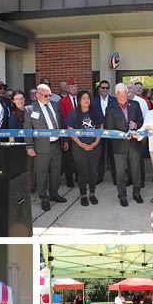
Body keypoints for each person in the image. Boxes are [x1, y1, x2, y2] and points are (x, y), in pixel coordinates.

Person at [25, 83, 70, 211]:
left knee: (56, 172)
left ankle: (54, 194)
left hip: (56, 145)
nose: (48, 97)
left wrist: (65, 139)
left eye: (50, 95)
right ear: (37, 95)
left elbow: (61, 124)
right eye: (45, 95)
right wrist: (29, 146)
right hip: (41, 147)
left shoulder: (56, 105)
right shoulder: (30, 109)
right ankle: (44, 198)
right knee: (42, 174)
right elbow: (27, 130)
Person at [104, 83, 144, 207]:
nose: (122, 97)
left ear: (128, 93)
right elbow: (109, 128)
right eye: (119, 95)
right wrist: (123, 134)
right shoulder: (110, 108)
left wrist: (135, 125)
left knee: (136, 170)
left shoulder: (135, 105)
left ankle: (137, 193)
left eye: (124, 94)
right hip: (119, 145)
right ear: (116, 95)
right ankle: (122, 196)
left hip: (133, 144)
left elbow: (141, 120)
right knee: (120, 172)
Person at [67, 90, 104, 206]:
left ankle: (92, 194)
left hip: (95, 147)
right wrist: (81, 144)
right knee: (81, 172)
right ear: (79, 100)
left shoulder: (96, 112)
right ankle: (83, 195)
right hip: (79, 148)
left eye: (88, 98)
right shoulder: (74, 114)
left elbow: (101, 128)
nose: (86, 100)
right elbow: (70, 130)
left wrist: (95, 143)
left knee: (93, 172)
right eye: (83, 98)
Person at [59, 79, 81, 187]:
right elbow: (62, 119)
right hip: (69, 134)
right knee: (68, 159)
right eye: (72, 87)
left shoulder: (81, 99)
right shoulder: (63, 101)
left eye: (75, 87)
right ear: (67, 89)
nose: (74, 89)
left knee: (79, 159)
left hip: (81, 135)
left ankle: (79, 178)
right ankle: (69, 181)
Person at [96, 80, 117, 185]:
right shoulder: (94, 101)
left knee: (113, 156)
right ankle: (99, 177)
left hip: (111, 133)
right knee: (100, 156)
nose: (105, 90)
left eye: (107, 88)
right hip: (99, 133)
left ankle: (115, 178)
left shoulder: (114, 100)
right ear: (99, 89)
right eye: (103, 88)